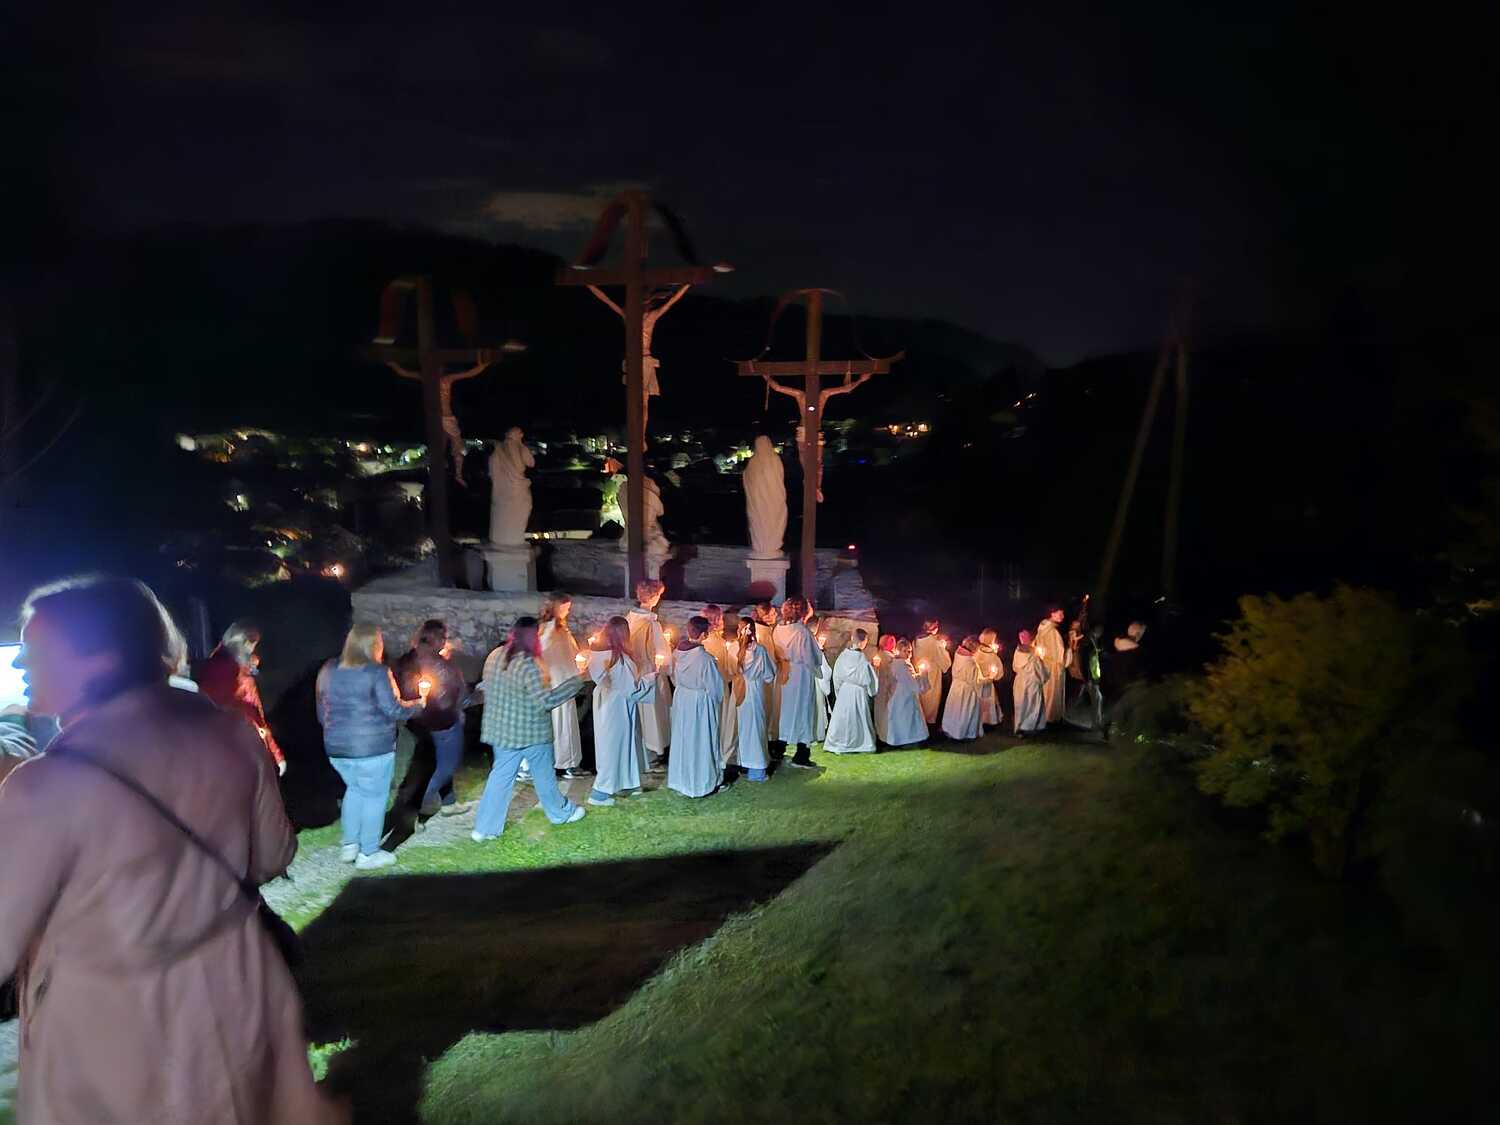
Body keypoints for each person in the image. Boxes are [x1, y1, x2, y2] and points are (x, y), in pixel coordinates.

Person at [0, 575, 346, 1123]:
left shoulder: (42, 785)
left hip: (116, 1026)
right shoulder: (231, 734)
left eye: (36, 650)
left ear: (102, 657)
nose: (21, 664)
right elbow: (273, 857)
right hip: (237, 985)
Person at [317, 623, 426, 870]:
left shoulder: (329, 669)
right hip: (372, 748)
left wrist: (335, 733)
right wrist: (418, 705)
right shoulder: (377, 672)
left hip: (337, 748)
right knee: (375, 797)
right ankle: (368, 853)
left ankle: (349, 845)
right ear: (375, 645)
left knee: (354, 790)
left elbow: (322, 710)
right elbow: (393, 709)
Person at [473, 616, 588, 842]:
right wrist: (577, 681)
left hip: (501, 732)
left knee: (500, 778)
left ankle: (484, 828)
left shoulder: (495, 656)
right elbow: (545, 701)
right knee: (544, 777)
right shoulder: (528, 664)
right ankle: (561, 813)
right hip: (531, 733)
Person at [393, 619, 468, 819]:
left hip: (415, 721)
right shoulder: (440, 665)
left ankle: (449, 803)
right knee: (447, 765)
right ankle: (414, 802)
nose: (445, 641)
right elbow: (451, 696)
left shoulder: (408, 659)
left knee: (430, 762)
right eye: (443, 637)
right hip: (441, 722)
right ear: (435, 638)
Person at [193, 620, 286, 774]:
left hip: (209, 747)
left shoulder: (208, 668)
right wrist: (276, 755)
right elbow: (256, 715)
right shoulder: (242, 676)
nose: (255, 649)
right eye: (254, 644)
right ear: (245, 643)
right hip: (242, 748)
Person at [585, 616, 656, 806]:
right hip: (617, 706)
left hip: (605, 703)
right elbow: (631, 689)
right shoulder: (619, 659)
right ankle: (600, 793)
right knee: (614, 746)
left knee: (623, 743)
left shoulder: (597, 654)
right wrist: (651, 678)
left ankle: (629, 782)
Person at [666, 617, 725, 798]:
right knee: (701, 740)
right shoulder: (705, 659)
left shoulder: (676, 653)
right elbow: (715, 687)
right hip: (700, 702)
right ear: (704, 634)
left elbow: (672, 675)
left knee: (683, 739)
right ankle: (701, 783)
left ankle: (681, 780)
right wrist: (716, 700)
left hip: (682, 698)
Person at [539, 594, 590, 779]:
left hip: (565, 680)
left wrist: (582, 659)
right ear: (556, 607)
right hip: (557, 682)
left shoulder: (561, 629)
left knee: (566, 723)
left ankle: (568, 761)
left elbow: (570, 652)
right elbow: (543, 650)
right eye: (565, 607)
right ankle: (566, 763)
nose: (568, 611)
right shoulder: (548, 629)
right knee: (561, 724)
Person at [627, 579, 673, 771]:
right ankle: (653, 754)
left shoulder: (629, 618)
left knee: (638, 714)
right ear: (653, 597)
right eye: (659, 595)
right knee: (653, 714)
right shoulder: (651, 624)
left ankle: (640, 752)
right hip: (650, 671)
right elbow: (662, 652)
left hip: (633, 672)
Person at [772, 598, 820, 769]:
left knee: (784, 710)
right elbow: (811, 657)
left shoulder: (778, 629)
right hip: (800, 675)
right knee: (803, 710)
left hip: (783, 673)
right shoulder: (802, 632)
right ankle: (801, 754)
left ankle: (778, 749)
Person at [734, 617, 777, 781]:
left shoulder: (734, 649)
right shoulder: (760, 650)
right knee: (756, 728)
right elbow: (769, 675)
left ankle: (743, 763)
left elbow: (730, 669)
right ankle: (757, 770)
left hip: (739, 691)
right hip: (755, 691)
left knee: (742, 727)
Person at [824, 628, 879, 754]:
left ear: (853, 639)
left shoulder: (843, 656)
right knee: (859, 718)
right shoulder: (862, 659)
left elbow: (836, 675)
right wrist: (875, 671)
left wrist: (839, 691)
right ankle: (861, 743)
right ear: (864, 642)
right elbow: (869, 679)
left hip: (845, 691)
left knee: (843, 718)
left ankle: (838, 742)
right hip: (859, 693)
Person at [702, 604, 739, 767]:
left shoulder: (707, 640)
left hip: (705, 688)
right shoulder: (716, 642)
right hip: (718, 687)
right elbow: (728, 669)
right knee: (719, 721)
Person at [883, 638, 931, 747]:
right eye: (905, 651)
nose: (908, 654)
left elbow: (910, 678)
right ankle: (908, 740)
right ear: (899, 651)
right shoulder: (902, 664)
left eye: (909, 651)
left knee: (902, 717)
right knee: (907, 717)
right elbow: (912, 683)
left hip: (901, 693)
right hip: (905, 694)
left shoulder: (898, 663)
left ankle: (903, 739)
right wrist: (923, 675)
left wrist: (918, 675)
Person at [941, 636, 984, 741]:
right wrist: (989, 679)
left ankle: (951, 730)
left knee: (954, 710)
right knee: (965, 711)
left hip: (956, 687)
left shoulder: (958, 654)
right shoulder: (970, 662)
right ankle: (964, 733)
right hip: (967, 691)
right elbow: (974, 681)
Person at [754, 602, 782, 755]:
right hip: (765, 680)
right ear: (764, 616)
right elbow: (768, 658)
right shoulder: (762, 634)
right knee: (768, 708)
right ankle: (768, 741)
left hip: (767, 678)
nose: (775, 616)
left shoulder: (767, 630)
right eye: (772, 614)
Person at [912, 620, 950, 724]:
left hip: (919, 672)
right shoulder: (934, 642)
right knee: (931, 701)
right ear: (934, 628)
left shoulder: (916, 640)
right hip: (932, 674)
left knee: (921, 699)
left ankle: (920, 721)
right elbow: (946, 663)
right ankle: (930, 724)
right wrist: (943, 648)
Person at [1035, 606, 1067, 725]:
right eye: (1060, 613)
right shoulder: (1051, 631)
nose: (1062, 616)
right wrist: (1069, 650)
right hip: (1053, 667)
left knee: (1048, 692)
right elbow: (1059, 654)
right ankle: (1051, 719)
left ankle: (1049, 717)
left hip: (1046, 666)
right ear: (1052, 613)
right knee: (1052, 693)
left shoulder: (1043, 629)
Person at [1012, 629, 1047, 735]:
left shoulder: (1017, 652)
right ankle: (1029, 727)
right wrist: (1042, 661)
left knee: (1021, 705)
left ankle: (1019, 726)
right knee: (1032, 705)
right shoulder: (1034, 657)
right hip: (1032, 682)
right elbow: (1040, 671)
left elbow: (1015, 667)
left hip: (1020, 682)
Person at [807, 613, 833, 744]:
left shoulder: (803, 639)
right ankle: (815, 733)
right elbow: (822, 667)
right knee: (816, 706)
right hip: (816, 679)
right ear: (816, 627)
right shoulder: (813, 642)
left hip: (804, 680)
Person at [975, 629, 1005, 730]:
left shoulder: (975, 652)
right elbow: (999, 673)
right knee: (988, 703)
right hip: (988, 683)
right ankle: (988, 722)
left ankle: (977, 721)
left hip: (976, 683)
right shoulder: (992, 656)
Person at [870, 634, 897, 744]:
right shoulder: (890, 658)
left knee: (879, 710)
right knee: (886, 712)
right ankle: (885, 735)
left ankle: (878, 732)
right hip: (887, 687)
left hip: (879, 688)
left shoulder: (879, 656)